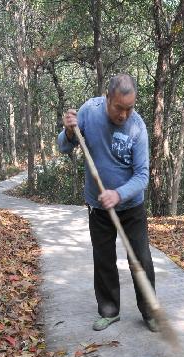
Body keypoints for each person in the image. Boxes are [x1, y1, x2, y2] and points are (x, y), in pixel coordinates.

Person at [57, 74, 158, 333]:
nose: (124, 114)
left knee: (142, 260)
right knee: (103, 259)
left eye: (129, 108)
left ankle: (149, 312)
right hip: (98, 206)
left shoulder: (138, 127)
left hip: (131, 206)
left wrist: (119, 194)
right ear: (107, 98)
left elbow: (142, 176)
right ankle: (109, 311)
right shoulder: (89, 112)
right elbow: (64, 147)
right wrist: (69, 132)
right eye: (119, 108)